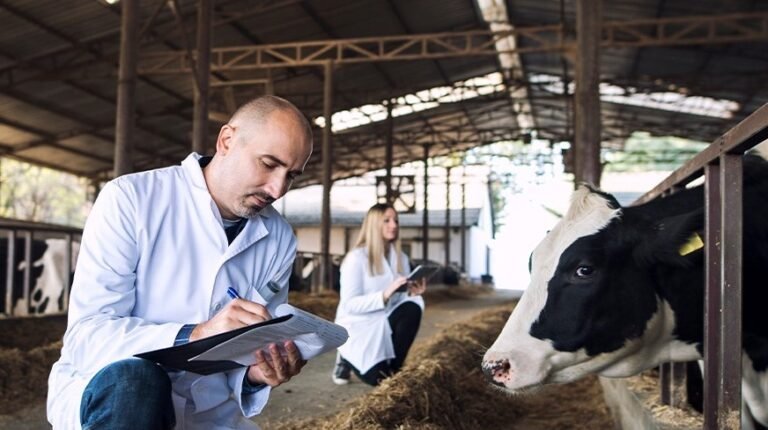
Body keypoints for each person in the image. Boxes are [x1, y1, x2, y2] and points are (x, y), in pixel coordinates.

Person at [47, 95, 314, 430]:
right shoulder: (131, 200)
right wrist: (195, 334)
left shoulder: (278, 238)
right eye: (268, 164)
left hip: (208, 415)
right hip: (116, 401)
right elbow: (88, 336)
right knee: (136, 380)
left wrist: (255, 374)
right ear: (227, 140)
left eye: (291, 175)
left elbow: (246, 350)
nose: (277, 189)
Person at [332, 203, 426, 386]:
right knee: (378, 380)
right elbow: (349, 304)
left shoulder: (401, 258)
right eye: (387, 221)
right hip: (359, 326)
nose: (394, 225)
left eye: (396, 220)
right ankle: (345, 355)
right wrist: (383, 295)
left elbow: (400, 300)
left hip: (384, 320)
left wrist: (412, 293)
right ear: (374, 225)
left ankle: (396, 367)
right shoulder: (356, 258)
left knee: (412, 307)